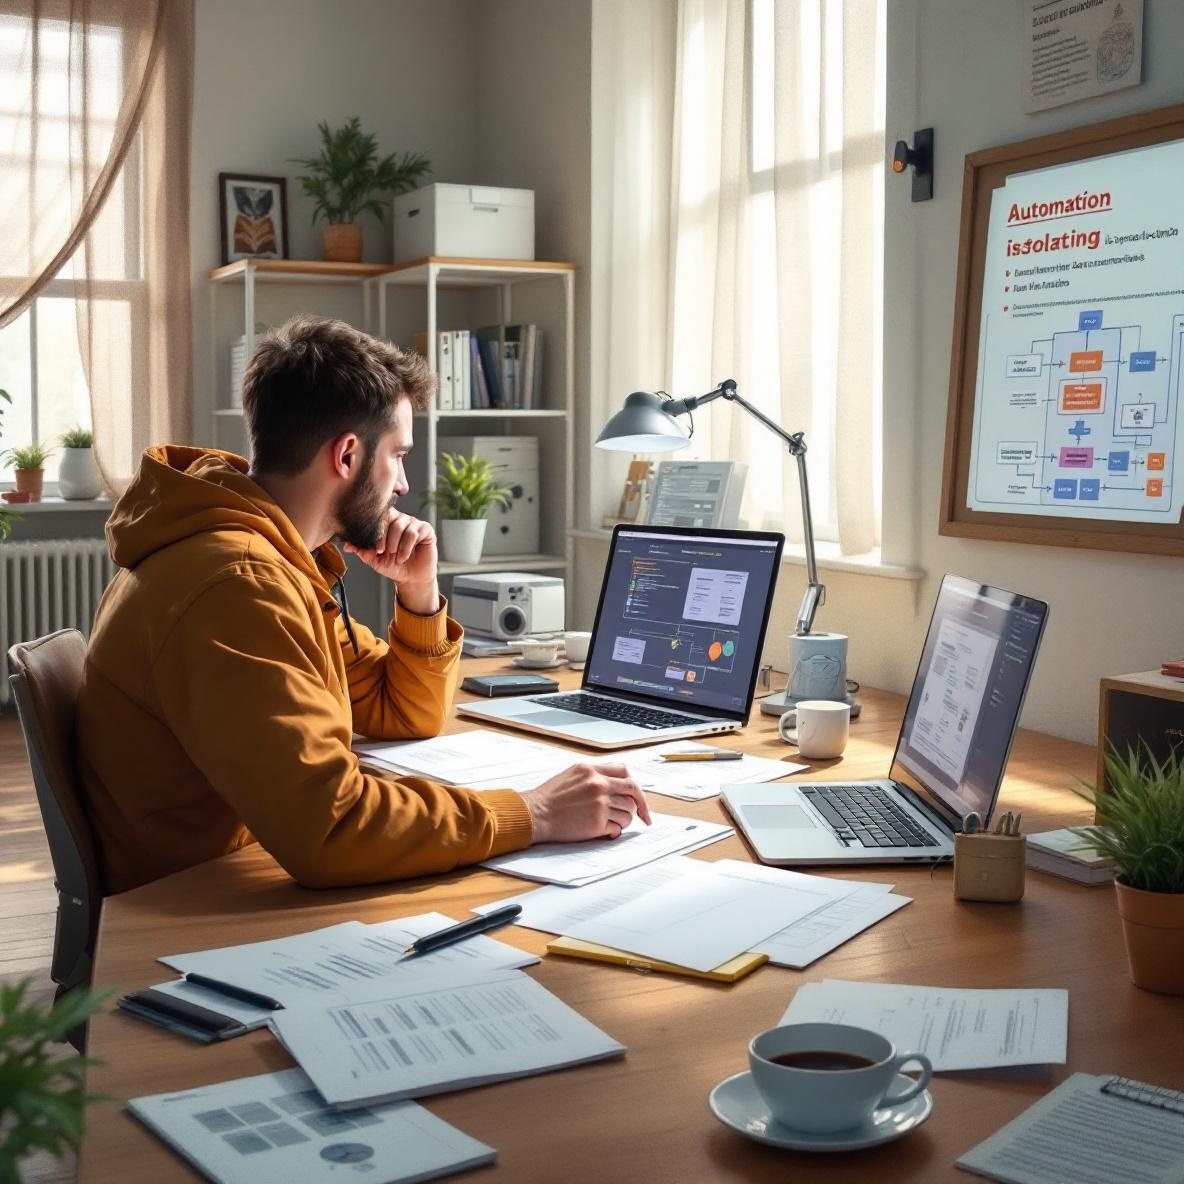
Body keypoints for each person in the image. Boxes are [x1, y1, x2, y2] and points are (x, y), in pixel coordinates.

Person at [76, 315, 649, 894]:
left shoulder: (270, 556)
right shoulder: (238, 583)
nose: (403, 484)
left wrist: (419, 597)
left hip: (239, 859)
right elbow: (333, 828)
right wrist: (536, 812)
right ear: (347, 455)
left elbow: (402, 714)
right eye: (397, 456)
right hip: (190, 904)